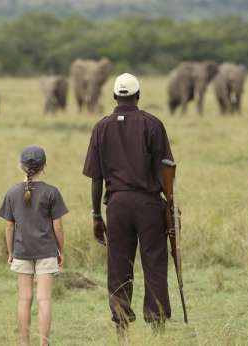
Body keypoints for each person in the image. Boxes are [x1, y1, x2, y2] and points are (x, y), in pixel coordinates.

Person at [82, 73, 175, 336]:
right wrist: (171, 206)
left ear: (114, 96)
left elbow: (96, 178)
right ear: (138, 96)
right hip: (149, 204)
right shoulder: (153, 124)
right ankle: (157, 327)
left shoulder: (101, 127)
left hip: (117, 205)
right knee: (154, 263)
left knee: (118, 265)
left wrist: (96, 215)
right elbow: (167, 171)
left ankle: (121, 327)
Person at [0, 146, 67, 346]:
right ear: (43, 166)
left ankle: (24, 343)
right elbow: (58, 227)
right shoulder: (52, 192)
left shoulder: (12, 192)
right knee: (44, 300)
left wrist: (11, 252)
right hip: (46, 251)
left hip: (21, 251)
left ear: (22, 166)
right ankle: (44, 343)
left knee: (24, 299)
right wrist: (61, 251)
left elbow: (9, 227)